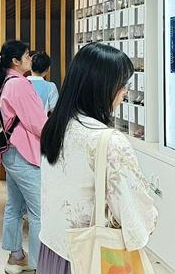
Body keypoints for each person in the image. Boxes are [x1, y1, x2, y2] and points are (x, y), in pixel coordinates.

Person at [38, 43, 157, 273]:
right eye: (122, 84)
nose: (125, 91)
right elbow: (134, 214)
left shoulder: (57, 127)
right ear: (102, 87)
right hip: (88, 256)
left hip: (53, 247)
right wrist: (151, 218)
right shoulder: (109, 142)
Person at [0, 40, 47, 274]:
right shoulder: (20, 85)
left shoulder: (7, 82)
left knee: (14, 206)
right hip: (24, 154)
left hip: (11, 153)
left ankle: (16, 257)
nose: (30, 59)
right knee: (38, 212)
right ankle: (39, 265)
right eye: (27, 55)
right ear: (15, 61)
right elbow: (38, 122)